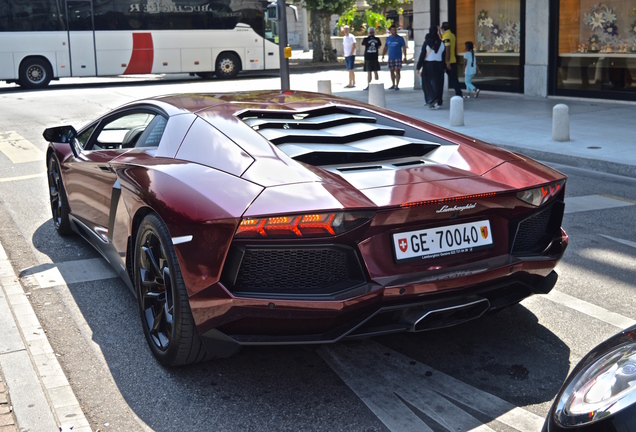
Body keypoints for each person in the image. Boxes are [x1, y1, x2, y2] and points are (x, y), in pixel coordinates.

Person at [416, 25, 445, 109]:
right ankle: (438, 101)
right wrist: (444, 67)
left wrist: (418, 67)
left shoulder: (427, 42)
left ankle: (431, 99)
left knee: (427, 83)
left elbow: (422, 55)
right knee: (439, 83)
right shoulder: (442, 43)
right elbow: (443, 56)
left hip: (428, 65)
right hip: (439, 65)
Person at [441, 22, 463, 98]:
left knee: (451, 79)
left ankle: (458, 93)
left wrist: (447, 62)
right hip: (453, 60)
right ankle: (459, 92)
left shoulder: (446, 36)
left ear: (443, 29)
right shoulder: (452, 35)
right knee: (454, 78)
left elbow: (447, 48)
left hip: (447, 61)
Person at [381, 25, 407, 90]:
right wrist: (383, 55)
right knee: (391, 71)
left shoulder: (400, 38)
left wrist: (405, 56)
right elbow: (385, 47)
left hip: (398, 57)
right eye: (393, 30)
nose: (394, 31)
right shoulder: (388, 39)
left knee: (397, 71)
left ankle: (397, 85)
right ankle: (393, 84)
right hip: (391, 58)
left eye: (395, 30)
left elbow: (404, 47)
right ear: (390, 31)